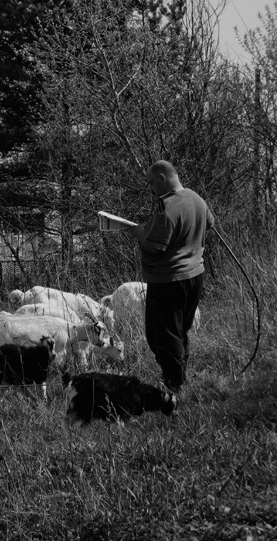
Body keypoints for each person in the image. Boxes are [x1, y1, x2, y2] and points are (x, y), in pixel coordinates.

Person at [125, 160, 213, 393]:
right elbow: (210, 223)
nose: (151, 189)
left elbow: (154, 247)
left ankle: (173, 387)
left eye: (151, 183)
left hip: (169, 280)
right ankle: (180, 378)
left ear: (162, 178)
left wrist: (138, 233)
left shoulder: (168, 207)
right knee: (178, 332)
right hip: (195, 275)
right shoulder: (196, 198)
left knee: (162, 337)